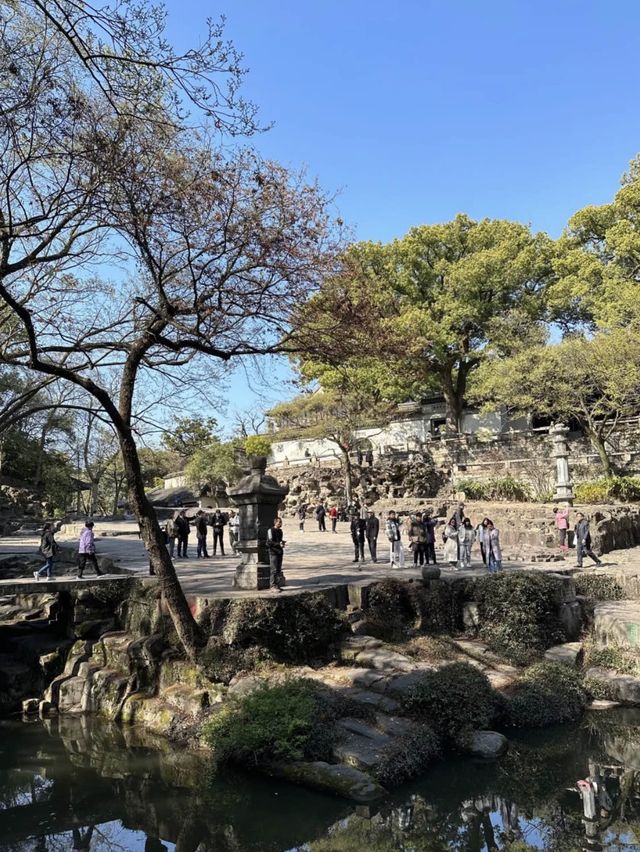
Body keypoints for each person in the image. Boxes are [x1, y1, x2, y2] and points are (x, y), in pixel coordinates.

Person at [266, 517, 286, 591]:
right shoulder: (270, 530)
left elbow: (279, 540)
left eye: (281, 522)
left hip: (279, 552)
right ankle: (272, 585)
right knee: (273, 570)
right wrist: (278, 544)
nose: (280, 523)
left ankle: (277, 584)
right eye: (279, 522)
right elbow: (269, 542)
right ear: (275, 523)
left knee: (278, 570)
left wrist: (282, 542)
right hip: (273, 552)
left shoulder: (280, 531)